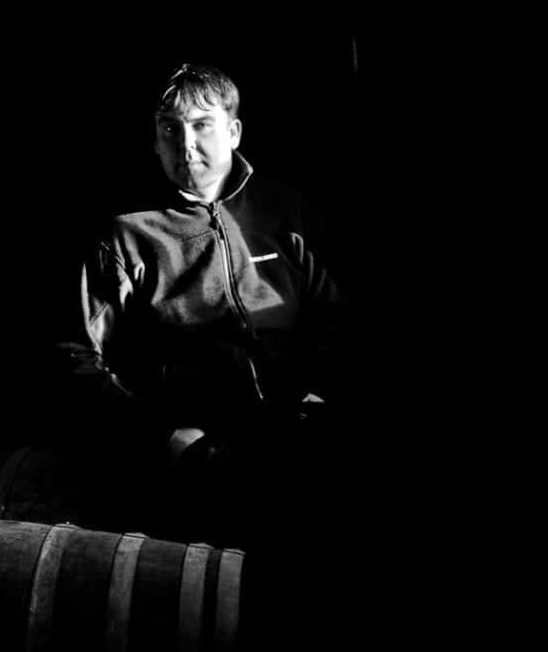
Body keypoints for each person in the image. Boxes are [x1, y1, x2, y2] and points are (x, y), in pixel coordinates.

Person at [58, 63, 349, 497]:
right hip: (203, 450)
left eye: (201, 125)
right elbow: (76, 355)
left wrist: (323, 393)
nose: (186, 144)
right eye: (169, 129)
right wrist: (164, 437)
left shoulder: (287, 213)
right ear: (155, 143)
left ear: (233, 132)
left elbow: (340, 316)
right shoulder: (126, 233)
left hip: (301, 427)